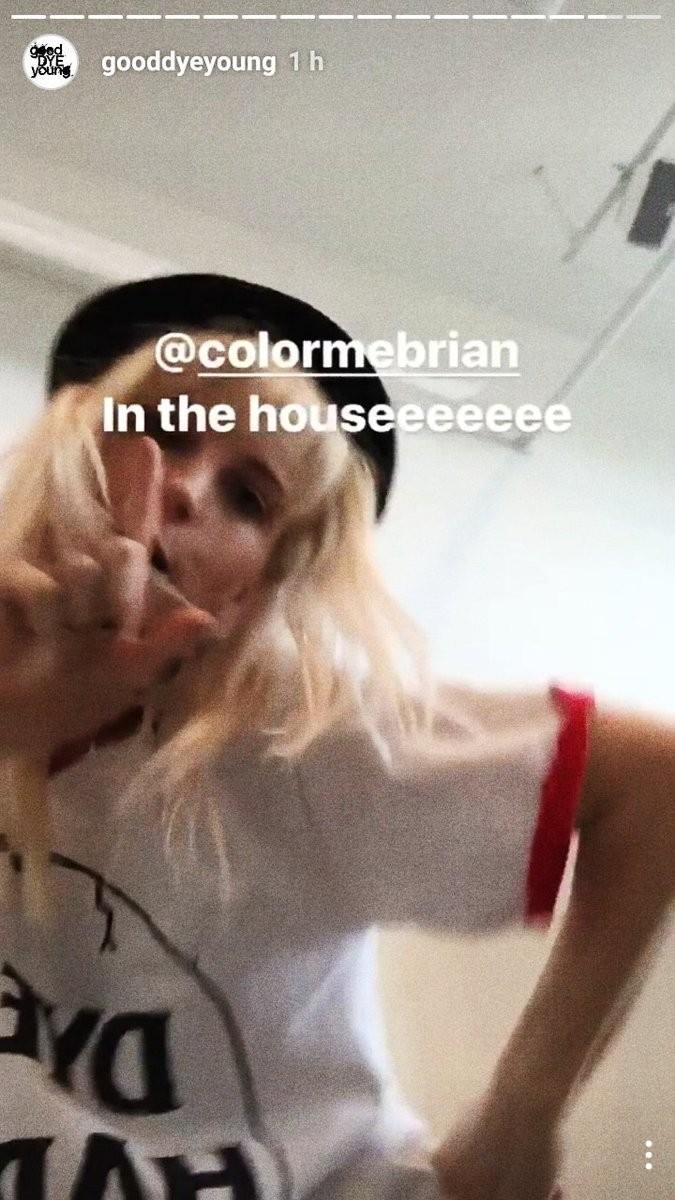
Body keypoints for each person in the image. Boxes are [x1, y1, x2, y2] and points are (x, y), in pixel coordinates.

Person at [0, 274, 672, 1200]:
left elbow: (652, 784)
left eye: (248, 498)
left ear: (254, 586)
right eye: (157, 432)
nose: (183, 488)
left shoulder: (299, 741)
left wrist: (519, 1114)